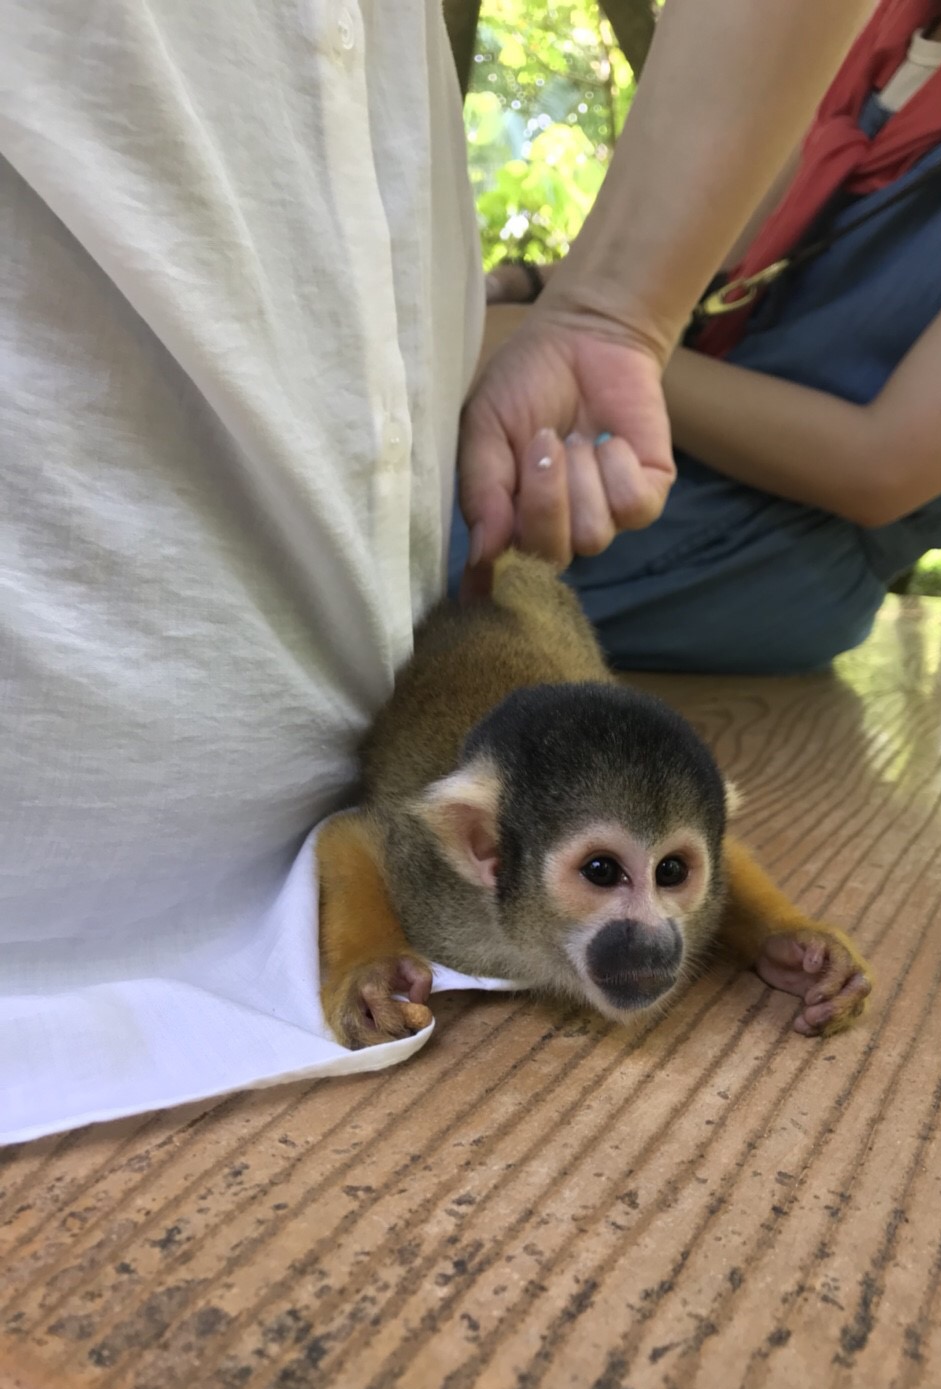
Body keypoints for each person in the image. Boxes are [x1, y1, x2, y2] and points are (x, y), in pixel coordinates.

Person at [0, 0, 879, 1139]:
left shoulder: (602, 861)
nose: (654, 928)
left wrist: (775, 929)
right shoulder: (452, 855)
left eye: (672, 875)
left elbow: (692, 837)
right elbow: (359, 837)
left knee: (547, 636)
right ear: (481, 849)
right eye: (608, 874)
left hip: (508, 633)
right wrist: (366, 951)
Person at [460, 0, 941, 674]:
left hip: (749, 559)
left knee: (388, 555)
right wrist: (530, 288)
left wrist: (545, 340)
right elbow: (721, 260)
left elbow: (882, 469)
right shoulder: (880, 29)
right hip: (631, 450)